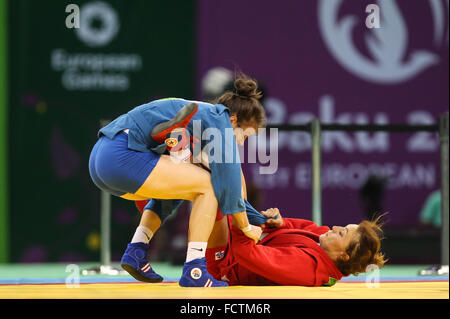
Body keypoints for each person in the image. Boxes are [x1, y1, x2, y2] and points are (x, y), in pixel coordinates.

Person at [88, 75, 266, 287]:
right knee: (207, 186)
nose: (242, 142)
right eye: (245, 136)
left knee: (183, 187)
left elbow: (228, 185)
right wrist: (248, 227)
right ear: (234, 120)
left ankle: (137, 250)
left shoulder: (202, 123)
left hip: (101, 158)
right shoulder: (220, 121)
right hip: (122, 155)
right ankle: (195, 269)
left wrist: (259, 219)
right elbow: (232, 183)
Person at [205, 207, 387, 286]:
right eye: (343, 227)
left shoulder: (308, 268)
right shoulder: (322, 236)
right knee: (232, 180)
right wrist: (276, 223)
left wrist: (244, 225)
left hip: (226, 266)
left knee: (215, 197)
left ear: (343, 256)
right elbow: (291, 227)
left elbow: (246, 254)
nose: (335, 228)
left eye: (342, 233)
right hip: (238, 243)